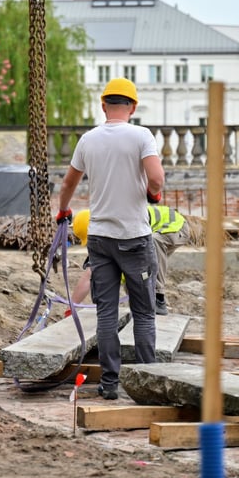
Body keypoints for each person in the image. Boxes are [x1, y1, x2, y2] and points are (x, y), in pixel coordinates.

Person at [56, 77, 164, 401]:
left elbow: (68, 184)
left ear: (103, 106)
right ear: (133, 107)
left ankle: (109, 384)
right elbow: (157, 179)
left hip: (100, 239)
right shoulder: (141, 136)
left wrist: (63, 211)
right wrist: (152, 192)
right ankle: (148, 383)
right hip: (134, 238)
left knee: (105, 314)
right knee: (143, 313)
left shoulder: (88, 140)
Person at [69, 206, 191, 315]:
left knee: (151, 244)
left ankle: (158, 297)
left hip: (175, 226)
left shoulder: (125, 222)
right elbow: (90, 273)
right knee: (131, 276)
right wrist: (71, 308)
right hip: (149, 236)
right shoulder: (108, 233)